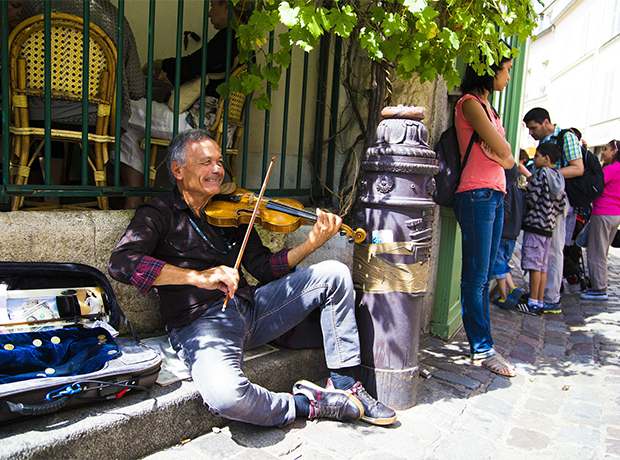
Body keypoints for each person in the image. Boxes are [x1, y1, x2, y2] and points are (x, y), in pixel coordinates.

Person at [108, 129, 397, 427]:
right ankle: (307, 404)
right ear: (178, 170)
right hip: (200, 325)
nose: (218, 170)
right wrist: (197, 277)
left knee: (334, 273)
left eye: (219, 162)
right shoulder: (158, 214)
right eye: (206, 162)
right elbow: (121, 262)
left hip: (253, 309)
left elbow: (261, 267)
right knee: (226, 396)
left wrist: (309, 245)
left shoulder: (231, 210)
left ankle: (346, 384)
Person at [119, 0, 249, 209]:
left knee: (125, 110)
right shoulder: (246, 43)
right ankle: (133, 201)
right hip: (219, 127)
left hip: (195, 124)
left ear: (227, 6)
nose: (209, 13)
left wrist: (160, 64)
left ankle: (132, 201)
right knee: (128, 126)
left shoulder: (229, 37)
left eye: (213, 5)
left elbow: (192, 65)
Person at [18, 0, 145, 202]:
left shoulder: (35, 7)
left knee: (49, 123)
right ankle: (100, 199)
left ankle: (49, 196)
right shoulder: (113, 16)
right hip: (95, 118)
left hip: (37, 112)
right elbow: (137, 89)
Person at [453, 52, 516, 377]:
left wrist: (504, 157)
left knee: (486, 274)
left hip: (494, 194)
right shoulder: (470, 104)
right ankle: (482, 348)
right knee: (476, 278)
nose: (507, 77)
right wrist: (503, 156)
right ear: (488, 71)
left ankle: (485, 345)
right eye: (505, 70)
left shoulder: (490, 108)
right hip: (476, 194)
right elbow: (505, 152)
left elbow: (509, 160)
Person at [522, 108, 585, 313]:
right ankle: (540, 295)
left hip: (557, 200)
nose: (531, 133)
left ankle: (550, 298)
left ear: (546, 122)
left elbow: (578, 167)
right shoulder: (546, 142)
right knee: (545, 253)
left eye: (533, 128)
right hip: (551, 200)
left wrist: (547, 175)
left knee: (554, 249)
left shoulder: (566, 137)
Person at [515, 143, 567, 314]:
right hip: (548, 228)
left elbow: (531, 198)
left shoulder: (541, 175)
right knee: (543, 266)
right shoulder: (558, 178)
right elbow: (561, 206)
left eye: (537, 155)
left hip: (535, 226)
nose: (535, 159)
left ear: (546, 158)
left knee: (533, 265)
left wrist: (523, 192)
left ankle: (532, 303)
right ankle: (540, 300)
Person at [581, 139, 620, 301]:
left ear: (614, 151)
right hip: (615, 214)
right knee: (602, 251)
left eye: (605, 149)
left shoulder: (613, 169)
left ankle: (599, 288)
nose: (602, 152)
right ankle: (600, 284)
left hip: (603, 212)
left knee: (596, 251)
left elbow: (596, 183)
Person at [490, 163, 523, 310]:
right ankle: (510, 290)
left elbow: (506, 211)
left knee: (499, 266)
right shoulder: (518, 190)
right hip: (513, 235)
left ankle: (505, 294)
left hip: (503, 233)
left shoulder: (506, 188)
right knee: (503, 263)